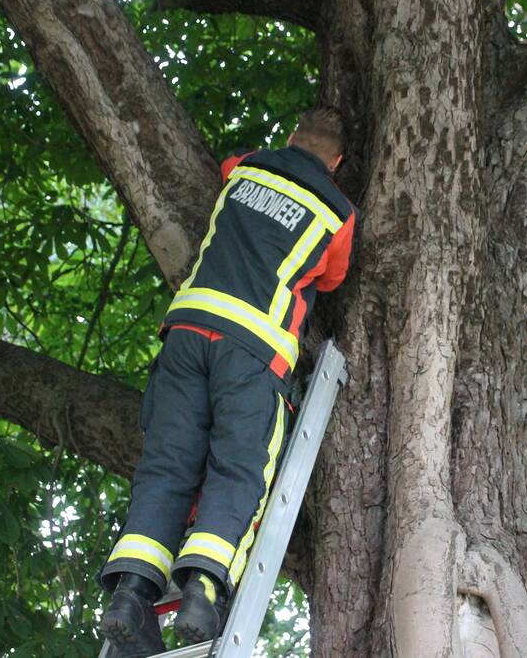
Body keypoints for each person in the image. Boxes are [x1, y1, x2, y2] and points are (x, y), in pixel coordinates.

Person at [96, 106, 357, 657]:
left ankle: (130, 594)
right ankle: (204, 591)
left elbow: (229, 169)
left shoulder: (246, 167)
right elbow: (332, 278)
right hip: (254, 351)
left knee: (166, 466)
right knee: (239, 471)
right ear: (337, 161)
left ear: (291, 136)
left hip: (187, 332)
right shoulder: (338, 210)